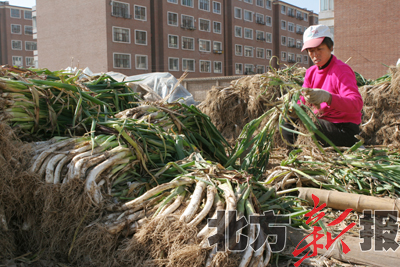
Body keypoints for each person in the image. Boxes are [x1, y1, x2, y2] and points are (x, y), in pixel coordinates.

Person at [282, 24, 363, 147]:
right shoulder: (311, 72)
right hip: (321, 123)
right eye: (311, 51)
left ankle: (350, 147)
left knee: (312, 126)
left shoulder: (342, 70)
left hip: (343, 128)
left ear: (330, 47)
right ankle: (295, 157)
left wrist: (329, 98)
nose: (315, 54)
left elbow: (356, 103)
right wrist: (294, 109)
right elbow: (303, 101)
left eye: (319, 49)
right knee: (287, 123)